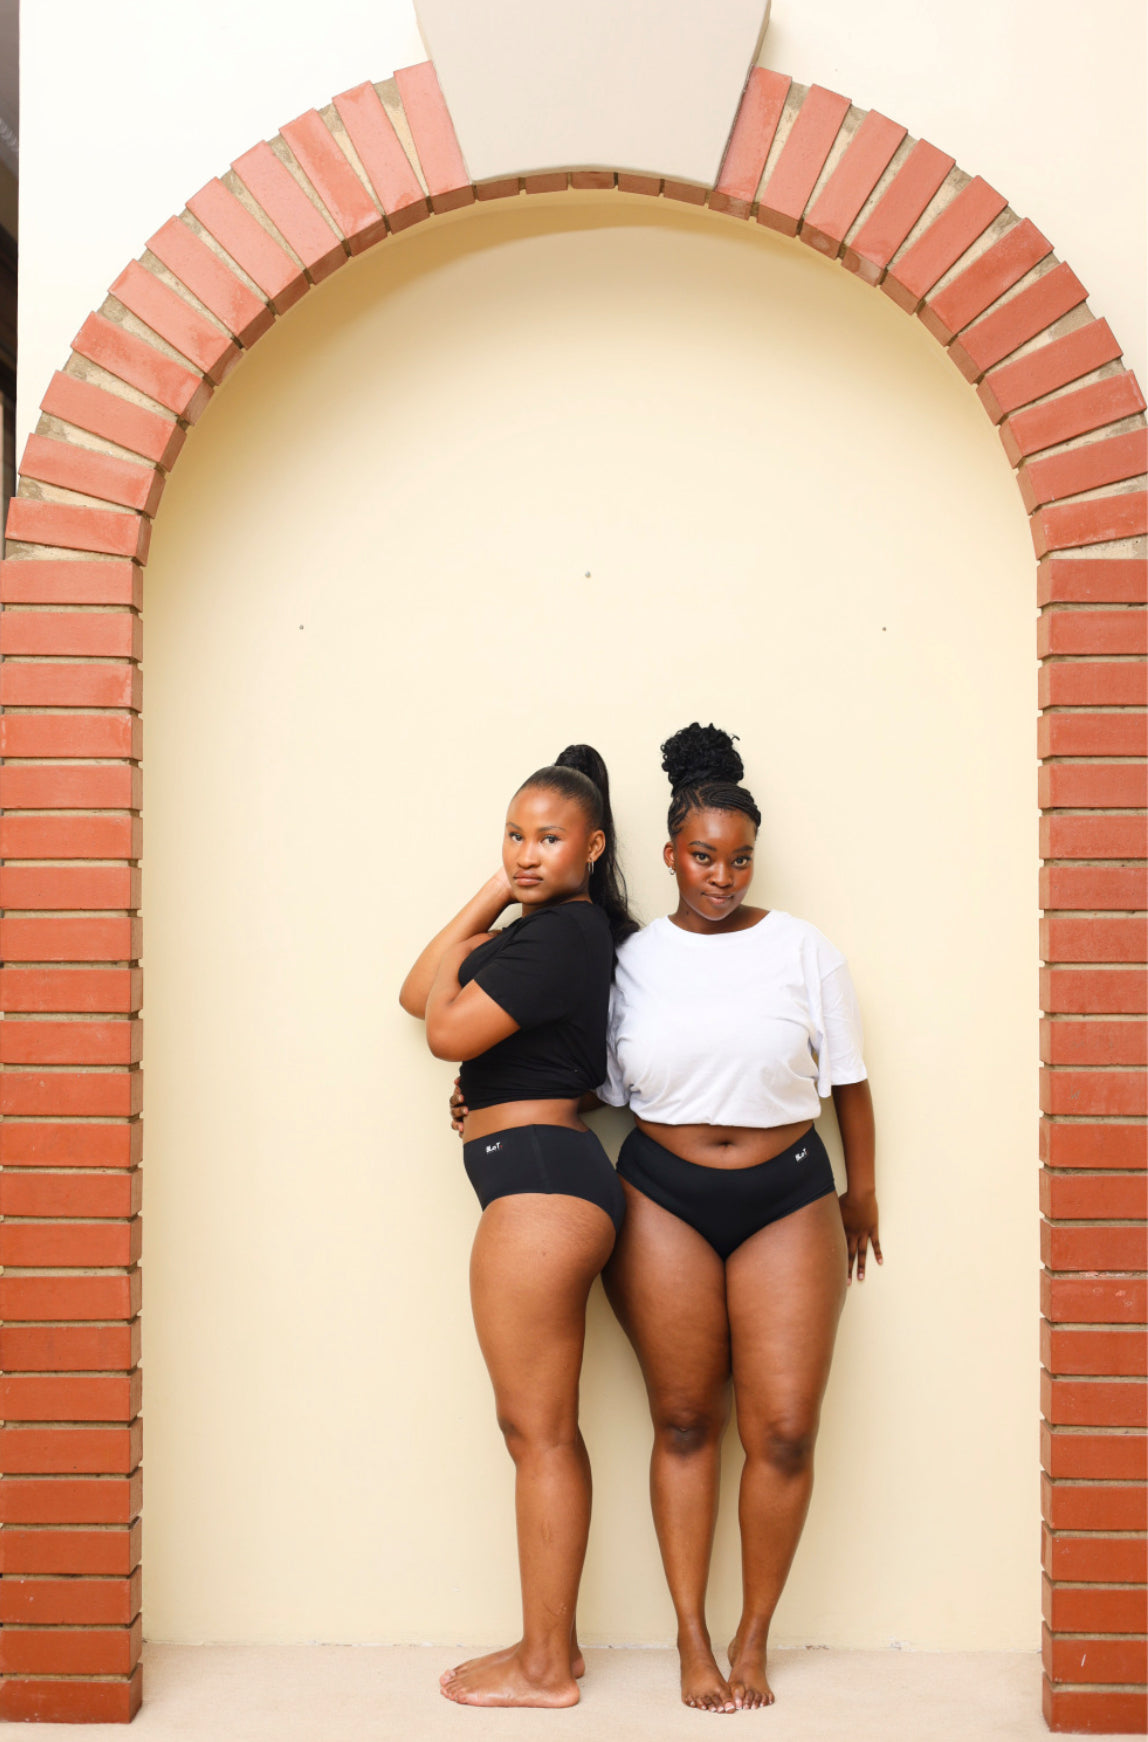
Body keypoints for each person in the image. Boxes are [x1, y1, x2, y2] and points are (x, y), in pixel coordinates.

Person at [599, 722, 880, 1713]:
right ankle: (689, 1635)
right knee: (684, 1420)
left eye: (739, 857)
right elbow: (585, 1080)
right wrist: (489, 1095)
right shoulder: (629, 959)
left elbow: (850, 1081)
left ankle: (752, 1636)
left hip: (787, 1193)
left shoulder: (804, 950)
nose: (722, 876)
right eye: (703, 856)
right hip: (660, 1194)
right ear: (670, 854)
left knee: (786, 1430)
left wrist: (860, 1192)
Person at [399, 745, 636, 1709]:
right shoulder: (540, 929)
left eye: (548, 839)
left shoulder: (564, 934)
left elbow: (445, 1031)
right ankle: (554, 1648)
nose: (527, 853)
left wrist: (499, 921)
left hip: (541, 1184)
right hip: (538, 1178)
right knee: (539, 1431)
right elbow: (419, 990)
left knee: (538, 1434)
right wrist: (498, 893)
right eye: (513, 836)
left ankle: (542, 1668)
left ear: (594, 846)